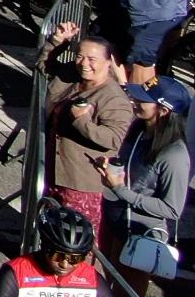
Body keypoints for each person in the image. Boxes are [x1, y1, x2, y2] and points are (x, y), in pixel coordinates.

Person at [36, 21, 134, 238]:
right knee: (52, 232)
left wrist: (83, 122)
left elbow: (113, 139)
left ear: (109, 62)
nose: (84, 64)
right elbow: (44, 66)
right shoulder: (73, 73)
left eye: (92, 59)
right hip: (54, 170)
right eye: (80, 56)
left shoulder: (114, 99)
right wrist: (57, 42)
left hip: (80, 182)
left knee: (75, 239)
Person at [100, 78, 191, 297]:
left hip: (141, 237)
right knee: (104, 285)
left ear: (163, 110)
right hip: (115, 222)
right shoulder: (140, 130)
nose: (135, 100)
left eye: (144, 99)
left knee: (126, 292)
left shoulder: (175, 155)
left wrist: (122, 191)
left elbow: (172, 209)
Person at [0, 204, 111, 297]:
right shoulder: (14, 273)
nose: (64, 264)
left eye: (75, 258)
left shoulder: (93, 278)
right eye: (57, 256)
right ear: (44, 247)